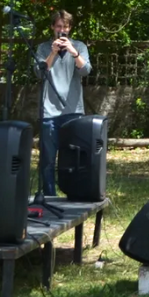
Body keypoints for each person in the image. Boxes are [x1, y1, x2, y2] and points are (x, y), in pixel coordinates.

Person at [34, 10, 91, 198]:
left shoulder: (79, 46)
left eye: (65, 27)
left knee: (72, 158)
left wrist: (74, 53)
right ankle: (49, 195)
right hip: (49, 112)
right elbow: (40, 73)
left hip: (73, 110)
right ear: (52, 27)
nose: (62, 31)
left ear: (70, 28)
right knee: (48, 158)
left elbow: (86, 71)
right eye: (58, 26)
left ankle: (72, 194)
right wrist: (53, 52)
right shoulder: (43, 48)